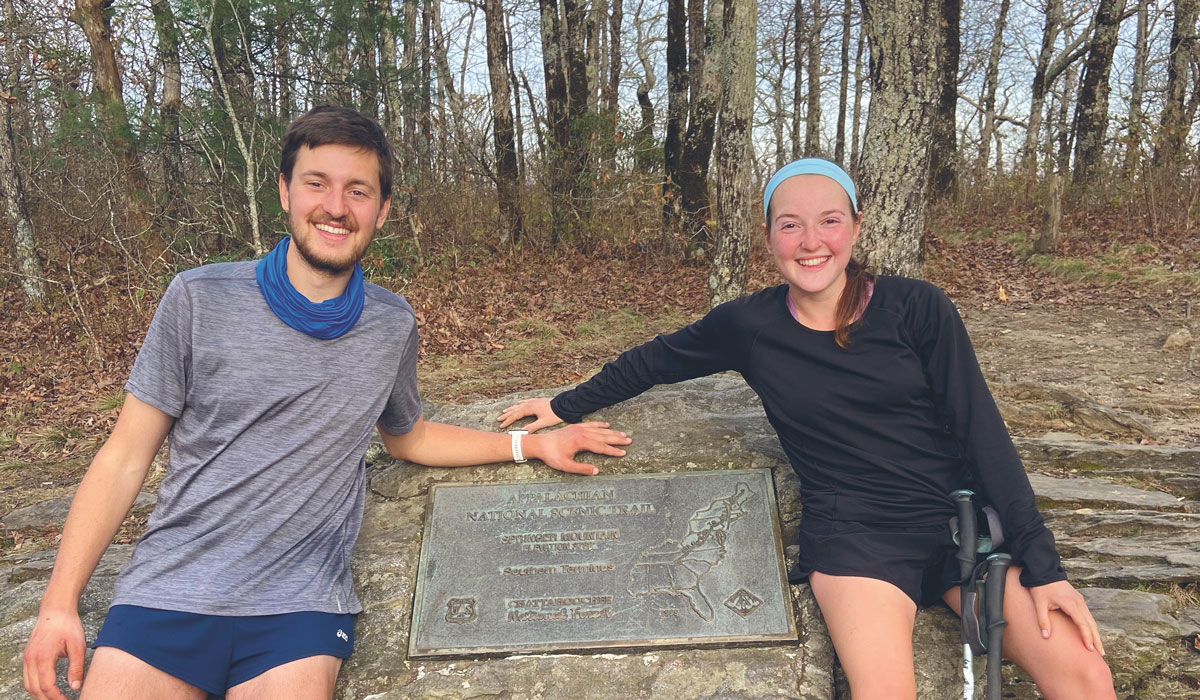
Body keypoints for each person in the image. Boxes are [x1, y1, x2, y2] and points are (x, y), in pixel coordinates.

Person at [22, 106, 632, 700]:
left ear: (383, 209)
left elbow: (409, 436)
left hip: (299, 609)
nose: (336, 207)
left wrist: (531, 445)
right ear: (286, 191)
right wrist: (57, 606)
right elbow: (126, 456)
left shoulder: (391, 323)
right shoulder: (198, 298)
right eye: (318, 184)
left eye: (358, 191)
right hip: (170, 589)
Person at [500, 159, 1115, 699]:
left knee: (1085, 675)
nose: (810, 240)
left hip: (960, 529)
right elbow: (653, 359)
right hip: (857, 539)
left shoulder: (919, 308)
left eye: (829, 220)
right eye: (789, 224)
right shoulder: (748, 325)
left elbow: (983, 432)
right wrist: (562, 405)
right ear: (769, 237)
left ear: (856, 225)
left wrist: (1044, 565)